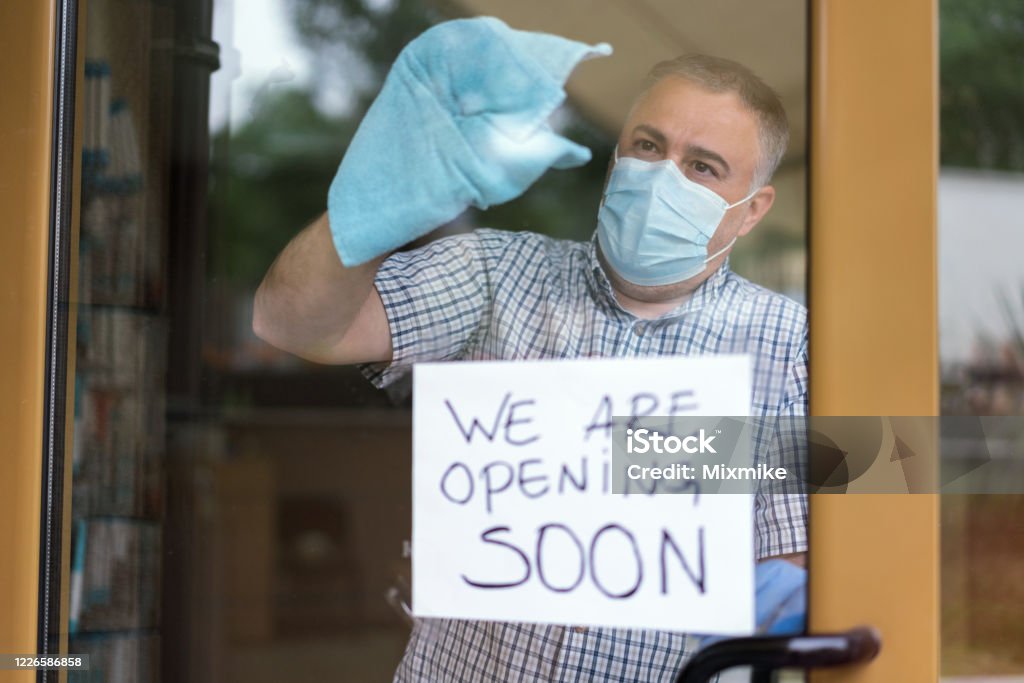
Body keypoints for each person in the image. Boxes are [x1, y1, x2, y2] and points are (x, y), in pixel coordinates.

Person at [253, 17, 806, 682]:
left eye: (702, 166)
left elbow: (795, 552)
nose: (664, 177)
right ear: (615, 159)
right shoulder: (494, 273)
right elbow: (294, 324)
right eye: (648, 146)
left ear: (752, 209)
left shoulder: (788, 346)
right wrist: (370, 209)